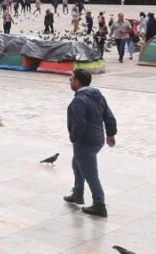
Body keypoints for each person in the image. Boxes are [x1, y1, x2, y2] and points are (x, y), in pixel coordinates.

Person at [64, 69, 117, 217]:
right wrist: (110, 133)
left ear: (78, 82)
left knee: (90, 173)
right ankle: (78, 193)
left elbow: (79, 124)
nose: (69, 81)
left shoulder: (79, 100)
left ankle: (99, 204)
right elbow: (109, 115)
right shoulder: (97, 95)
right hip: (97, 138)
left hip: (85, 141)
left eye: (72, 78)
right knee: (77, 164)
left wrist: (74, 138)